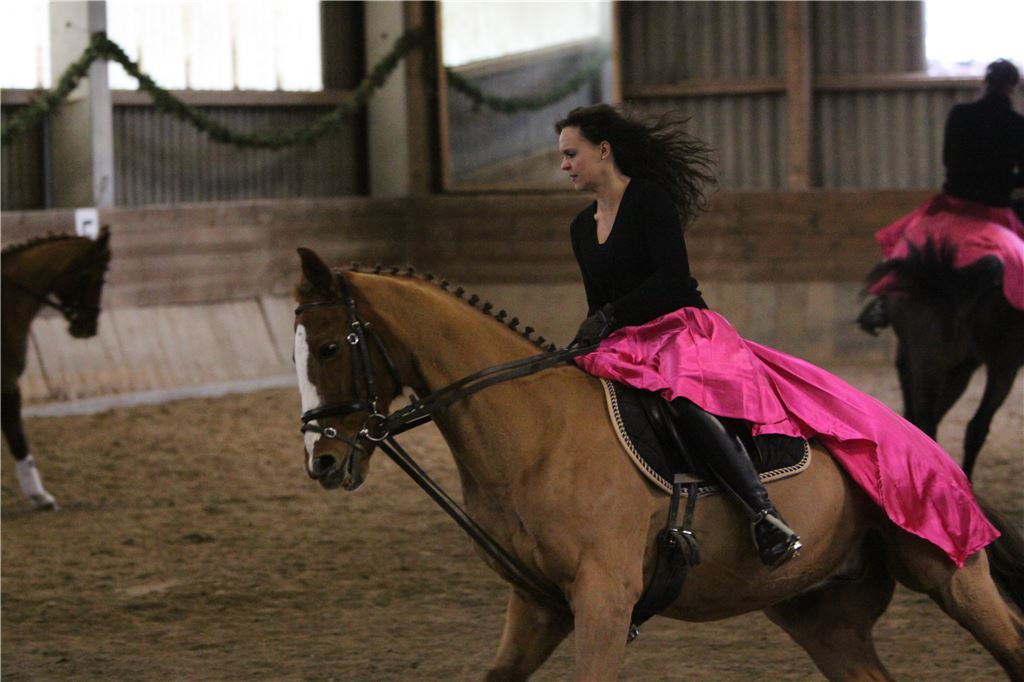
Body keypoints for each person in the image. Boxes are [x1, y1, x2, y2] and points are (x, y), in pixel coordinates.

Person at [556, 103, 999, 571]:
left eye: (570, 154)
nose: (563, 166)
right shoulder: (581, 228)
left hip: (679, 329)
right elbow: (596, 302)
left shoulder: (649, 201)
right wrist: (587, 336)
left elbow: (671, 279)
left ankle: (765, 515)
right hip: (625, 345)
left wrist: (612, 316)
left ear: (603, 151)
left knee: (684, 399)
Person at [858, 58, 1024, 334]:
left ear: (985, 83)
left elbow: (948, 159)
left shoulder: (960, 114)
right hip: (994, 211)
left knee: (904, 245)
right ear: (1013, 86)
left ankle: (881, 303)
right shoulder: (1018, 124)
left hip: (952, 206)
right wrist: (1005, 180)